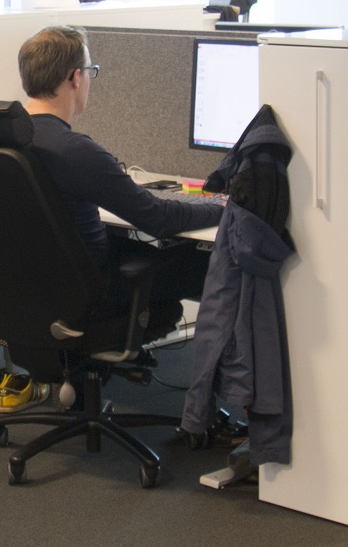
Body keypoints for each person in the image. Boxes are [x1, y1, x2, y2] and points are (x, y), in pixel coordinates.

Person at [17, 25, 223, 339]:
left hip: (36, 287)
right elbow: (158, 219)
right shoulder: (75, 151)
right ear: (75, 77)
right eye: (90, 71)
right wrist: (220, 207)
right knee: (208, 264)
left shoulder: (1, 140)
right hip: (93, 291)